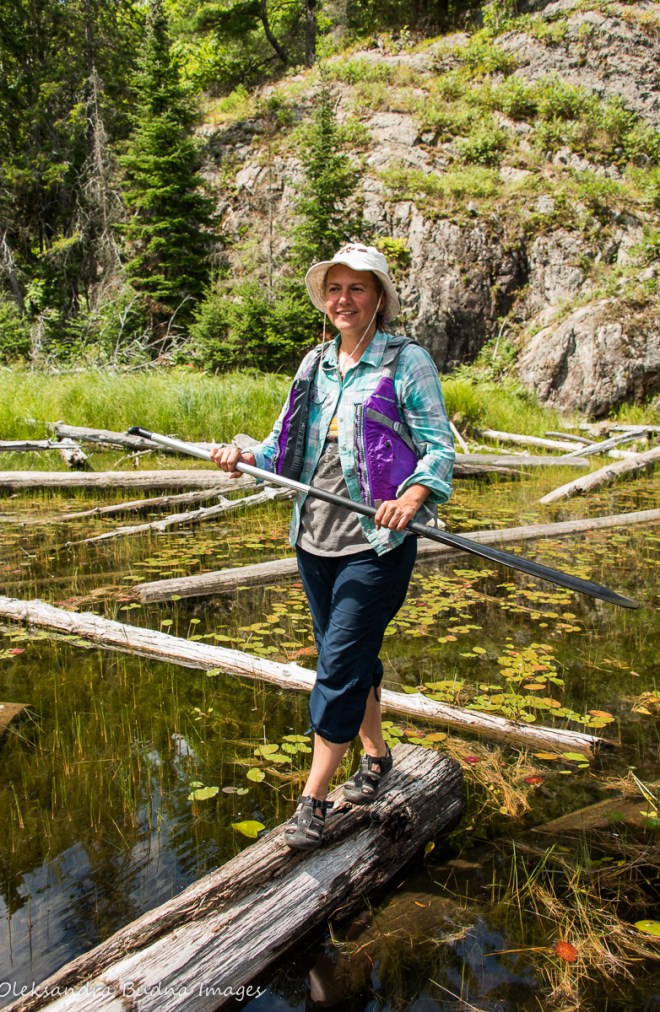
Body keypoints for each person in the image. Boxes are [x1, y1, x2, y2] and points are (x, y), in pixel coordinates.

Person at [211, 242, 455, 850]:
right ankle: (376, 756)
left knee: (338, 665)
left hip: (375, 542)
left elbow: (438, 447)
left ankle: (313, 800)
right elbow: (281, 446)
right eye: (335, 289)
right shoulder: (313, 364)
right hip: (313, 538)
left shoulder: (406, 362)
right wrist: (244, 456)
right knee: (348, 654)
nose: (344, 299)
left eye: (357, 288)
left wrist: (412, 497)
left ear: (379, 298)